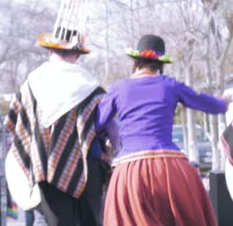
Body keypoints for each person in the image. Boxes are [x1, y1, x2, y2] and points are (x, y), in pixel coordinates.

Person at [97, 34, 231, 225]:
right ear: (160, 64)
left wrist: (106, 145)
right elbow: (216, 106)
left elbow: (98, 124)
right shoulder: (170, 85)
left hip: (130, 169)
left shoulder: (118, 88)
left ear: (135, 62)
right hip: (170, 167)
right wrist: (226, 98)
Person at [4, 28, 119, 226]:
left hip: (45, 167)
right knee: (90, 222)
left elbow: (16, 125)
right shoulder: (90, 85)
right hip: (87, 167)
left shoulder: (31, 83)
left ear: (50, 51)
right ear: (77, 54)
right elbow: (113, 130)